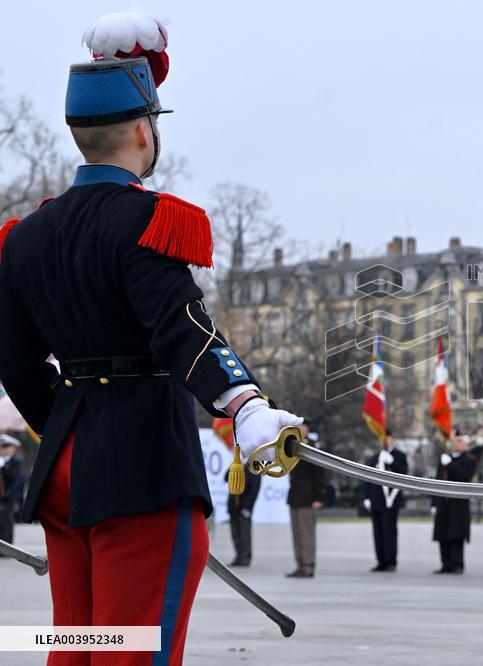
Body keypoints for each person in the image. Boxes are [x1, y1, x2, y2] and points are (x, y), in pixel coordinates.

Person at [0, 16, 302, 662]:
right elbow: (183, 329)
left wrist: (71, 423)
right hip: (140, 465)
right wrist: (244, 403)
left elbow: (16, 362)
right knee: (133, 648)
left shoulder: (22, 239)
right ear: (145, 130)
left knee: (78, 643)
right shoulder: (149, 220)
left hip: (67, 466)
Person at [286, 420, 327, 578]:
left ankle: (308, 566)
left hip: (308, 497)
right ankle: (300, 564)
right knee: (297, 534)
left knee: (306, 534)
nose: (300, 429)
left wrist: (318, 497)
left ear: (307, 428)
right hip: (295, 496)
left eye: (302, 426)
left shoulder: (312, 446)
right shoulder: (292, 445)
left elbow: (319, 475)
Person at [363, 428, 408, 572]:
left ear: (392, 439)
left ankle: (391, 561)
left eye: (387, 438)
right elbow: (368, 478)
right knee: (378, 533)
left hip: (390, 501)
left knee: (389, 532)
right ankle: (381, 560)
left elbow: (403, 474)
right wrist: (367, 497)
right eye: (381, 438)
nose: (384, 441)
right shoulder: (375, 457)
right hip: (376, 500)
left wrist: (392, 462)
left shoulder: (399, 456)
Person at [432, 429, 477, 574]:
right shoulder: (445, 458)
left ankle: (457, 564)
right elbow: (437, 481)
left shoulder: (469, 459)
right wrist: (434, 502)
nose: (456, 443)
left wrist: (450, 464)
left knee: (456, 535)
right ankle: (446, 564)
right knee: (442, 534)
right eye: (455, 440)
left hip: (458, 505)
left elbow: (464, 477)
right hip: (443, 503)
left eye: (460, 441)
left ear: (466, 444)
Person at [227, 449, 261, 567]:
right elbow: (226, 478)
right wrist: (234, 465)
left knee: (245, 533)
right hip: (233, 506)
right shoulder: (237, 464)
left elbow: (254, 490)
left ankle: (245, 557)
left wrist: (248, 507)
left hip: (244, 506)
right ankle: (238, 556)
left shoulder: (254, 466)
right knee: (235, 533)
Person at [0, 434, 24, 546]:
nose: (4, 449)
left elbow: (13, 477)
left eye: (6, 446)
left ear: (13, 448)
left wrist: (3, 466)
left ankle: (8, 546)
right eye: (3, 447)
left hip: (9, 497)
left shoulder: (15, 462)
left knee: (7, 523)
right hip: (2, 497)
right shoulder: (3, 461)